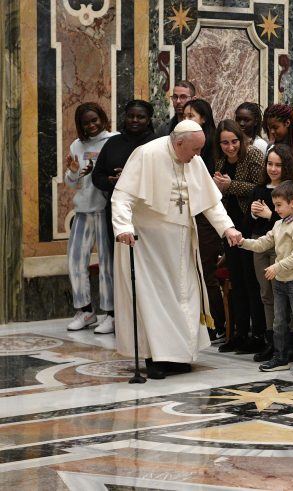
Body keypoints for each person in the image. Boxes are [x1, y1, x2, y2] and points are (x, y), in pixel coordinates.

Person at [111, 120, 242, 380]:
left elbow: (210, 201)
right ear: (179, 142)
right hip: (148, 244)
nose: (198, 156)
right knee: (153, 299)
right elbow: (122, 196)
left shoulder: (193, 159)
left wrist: (227, 228)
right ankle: (154, 357)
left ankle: (177, 355)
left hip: (182, 242)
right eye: (195, 150)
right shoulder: (147, 154)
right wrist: (123, 227)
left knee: (185, 297)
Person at [239, 181, 293, 375]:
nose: (275, 209)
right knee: (279, 322)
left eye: (278, 205)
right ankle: (281, 357)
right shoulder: (278, 224)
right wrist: (242, 242)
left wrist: (277, 266)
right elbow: (263, 243)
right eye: (274, 205)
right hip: (281, 280)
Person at [212, 119, 267, 354]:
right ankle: (239, 332)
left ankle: (258, 334)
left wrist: (231, 185)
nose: (230, 147)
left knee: (251, 281)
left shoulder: (253, 155)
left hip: (250, 226)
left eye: (234, 141)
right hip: (230, 226)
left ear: (241, 139)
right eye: (225, 143)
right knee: (237, 280)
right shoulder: (221, 161)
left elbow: (261, 187)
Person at [249, 144, 293, 362]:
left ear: (286, 166)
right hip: (260, 242)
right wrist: (253, 215)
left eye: (278, 165)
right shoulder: (259, 188)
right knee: (266, 294)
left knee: (283, 293)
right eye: (270, 164)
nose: (273, 169)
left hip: (282, 245)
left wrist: (269, 215)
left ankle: (291, 342)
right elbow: (248, 222)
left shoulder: (292, 190)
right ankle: (272, 341)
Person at [64, 102, 117, 334]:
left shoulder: (113, 140)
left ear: (102, 118)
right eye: (86, 123)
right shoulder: (77, 145)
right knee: (75, 261)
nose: (91, 125)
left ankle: (111, 314)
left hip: (105, 210)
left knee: (107, 264)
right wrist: (74, 171)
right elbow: (70, 183)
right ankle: (85, 311)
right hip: (83, 210)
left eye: (94, 120)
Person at [182, 99, 226, 342]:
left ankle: (216, 324)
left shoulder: (208, 147)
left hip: (206, 217)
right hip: (190, 215)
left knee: (206, 271)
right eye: (184, 115)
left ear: (204, 118)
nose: (186, 119)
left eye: (191, 115)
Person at [92, 100, 157, 249]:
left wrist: (130, 178)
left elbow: (162, 178)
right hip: (117, 209)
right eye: (130, 116)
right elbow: (97, 176)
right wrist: (111, 181)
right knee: (119, 254)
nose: (134, 120)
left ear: (148, 120)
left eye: (140, 117)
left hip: (147, 210)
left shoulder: (157, 143)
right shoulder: (113, 143)